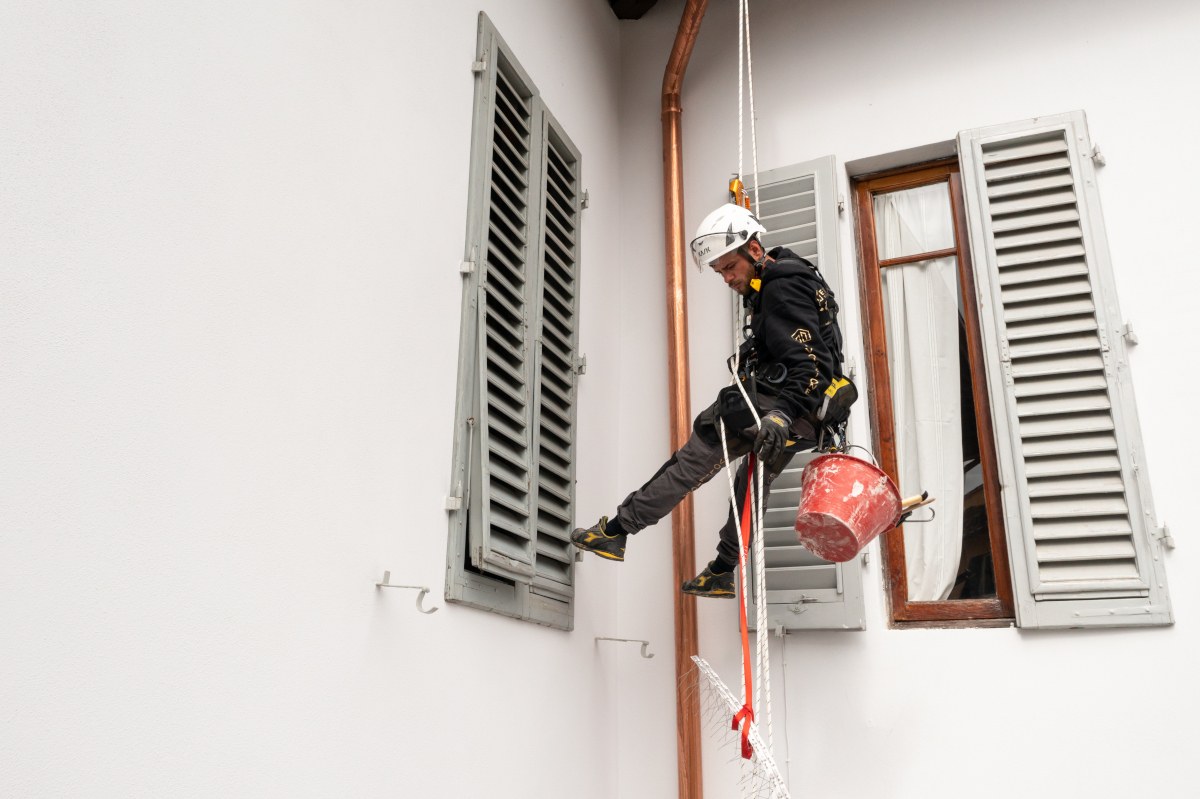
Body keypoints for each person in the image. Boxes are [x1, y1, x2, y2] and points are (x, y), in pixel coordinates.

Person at [570, 203, 856, 597]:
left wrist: (778, 414)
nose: (725, 277)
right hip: (808, 417)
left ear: (754, 251)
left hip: (783, 406)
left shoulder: (780, 286)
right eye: (719, 271)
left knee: (695, 455)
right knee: (753, 483)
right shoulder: (790, 275)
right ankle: (722, 570)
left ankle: (616, 532)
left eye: (728, 267)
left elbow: (811, 364)